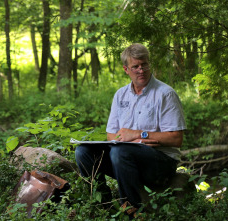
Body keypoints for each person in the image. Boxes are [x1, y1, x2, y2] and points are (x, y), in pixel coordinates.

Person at [75, 43, 186, 215]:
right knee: (83, 151)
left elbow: (176, 138)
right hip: (128, 159)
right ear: (126, 69)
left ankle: (132, 210)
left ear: (150, 64)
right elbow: (111, 134)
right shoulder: (120, 95)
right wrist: (134, 142)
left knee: (121, 152)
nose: (141, 70)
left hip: (161, 164)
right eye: (135, 67)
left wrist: (138, 135)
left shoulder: (165, 94)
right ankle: (104, 207)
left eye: (144, 65)